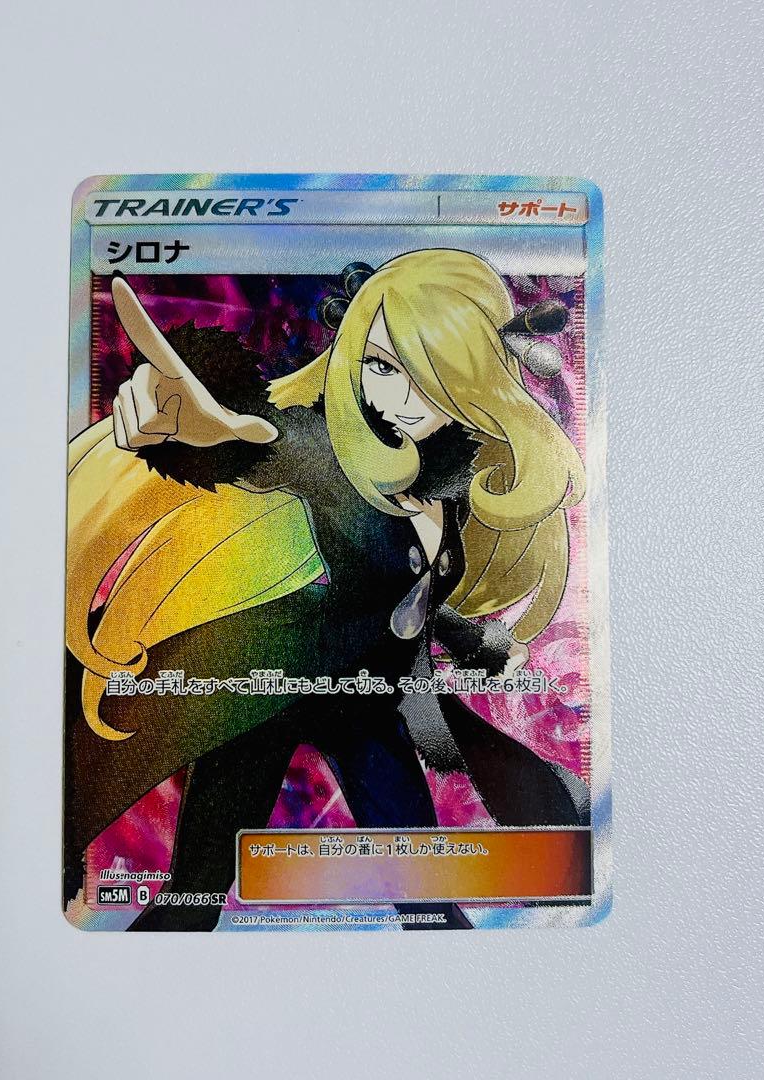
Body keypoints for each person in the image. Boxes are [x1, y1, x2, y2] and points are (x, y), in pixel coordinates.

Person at [64, 249, 589, 930]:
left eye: (431, 377)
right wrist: (194, 424)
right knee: (194, 893)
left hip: (368, 706)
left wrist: (472, 640)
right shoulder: (330, 452)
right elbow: (258, 440)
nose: (398, 399)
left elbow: (412, 592)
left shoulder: (452, 486)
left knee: (427, 897)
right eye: (381, 367)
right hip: (268, 696)